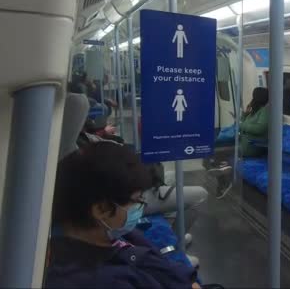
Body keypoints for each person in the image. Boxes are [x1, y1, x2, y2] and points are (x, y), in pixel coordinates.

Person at [46, 142, 201, 288]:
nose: (141, 206)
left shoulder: (110, 235)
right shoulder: (104, 280)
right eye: (136, 201)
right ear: (101, 209)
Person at [210, 87, 270, 199]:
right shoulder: (255, 109)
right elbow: (245, 122)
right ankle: (224, 177)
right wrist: (244, 115)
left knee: (220, 154)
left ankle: (225, 179)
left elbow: (259, 129)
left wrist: (241, 124)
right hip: (243, 143)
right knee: (216, 151)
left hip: (252, 146)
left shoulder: (265, 112)